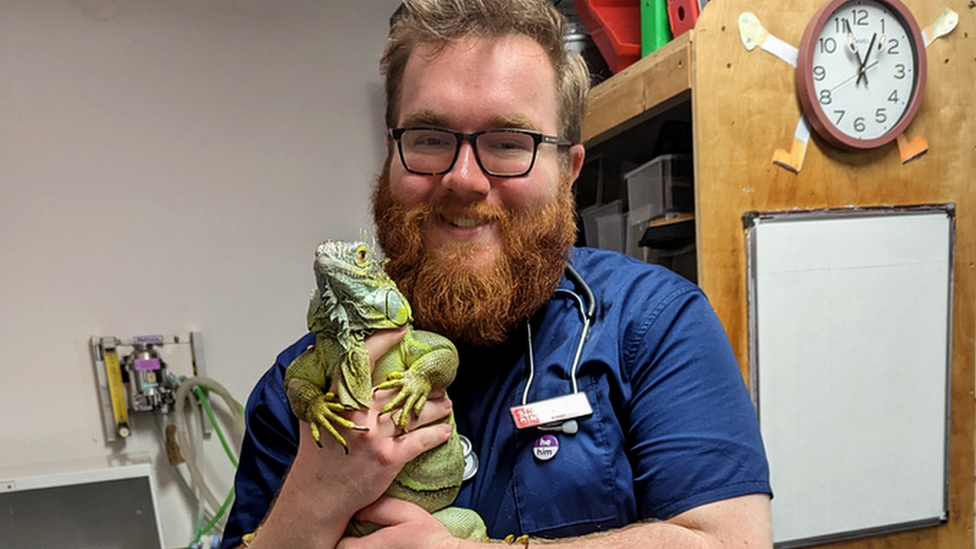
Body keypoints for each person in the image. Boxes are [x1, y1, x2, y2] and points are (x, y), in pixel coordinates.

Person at [221, 1, 772, 547]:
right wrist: (314, 500)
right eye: (430, 139)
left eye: (510, 143)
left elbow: (731, 542)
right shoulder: (297, 387)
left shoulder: (654, 323)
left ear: (569, 171)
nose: (463, 179)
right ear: (390, 156)